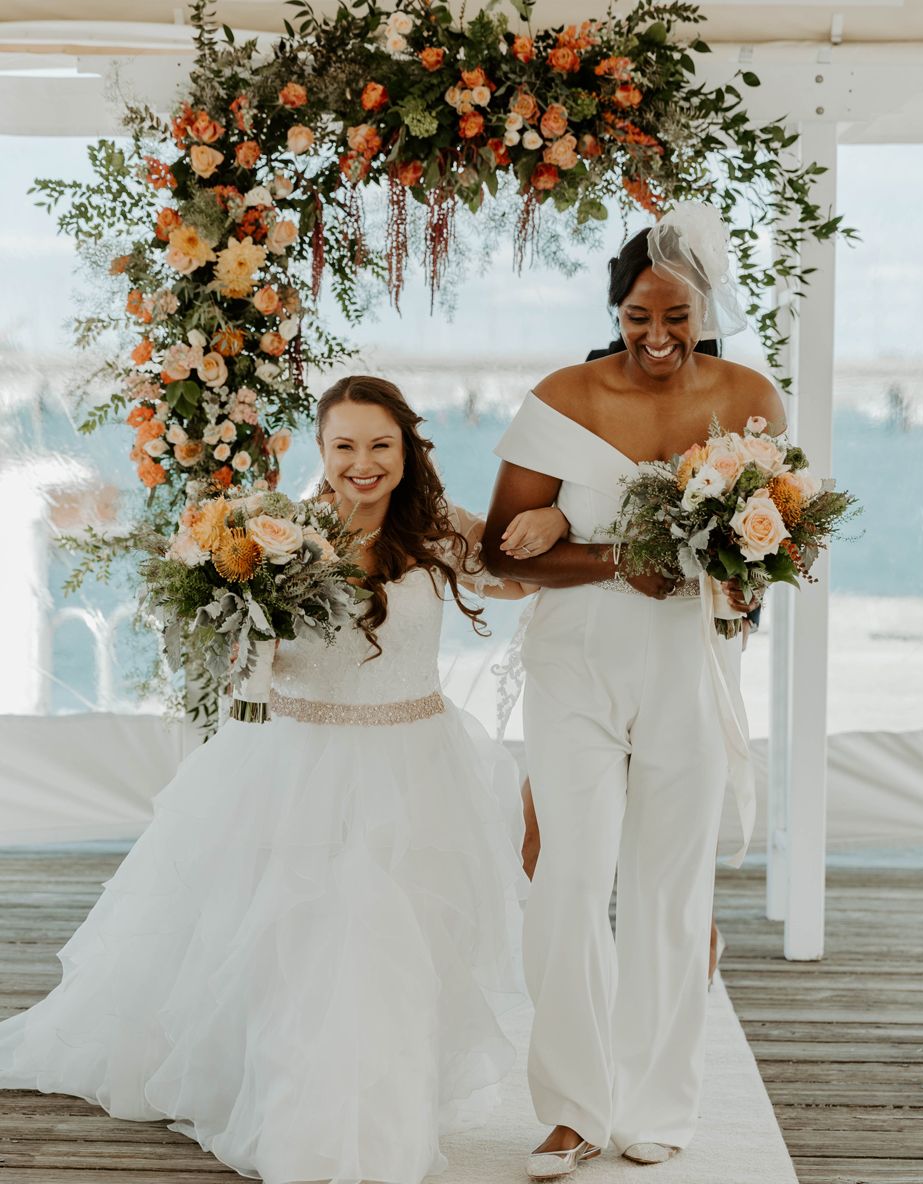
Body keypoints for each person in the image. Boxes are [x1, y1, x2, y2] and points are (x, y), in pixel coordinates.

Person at [0, 375, 569, 1184]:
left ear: (407, 450)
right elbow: (235, 641)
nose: (362, 464)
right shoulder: (279, 538)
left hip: (415, 767)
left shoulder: (439, 532)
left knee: (392, 947)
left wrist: (555, 518)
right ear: (321, 450)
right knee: (313, 943)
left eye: (381, 445)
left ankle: (380, 1106)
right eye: (345, 446)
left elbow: (517, 582)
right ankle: (313, 1113)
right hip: (301, 768)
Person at [482, 202, 785, 1177]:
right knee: (568, 877)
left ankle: (659, 1103)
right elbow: (500, 547)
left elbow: (766, 545)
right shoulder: (560, 396)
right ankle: (570, 1107)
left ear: (706, 309)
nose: (657, 336)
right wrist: (618, 558)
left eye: (676, 316)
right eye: (637, 316)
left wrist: (734, 583)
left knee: (668, 887)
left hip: (691, 665)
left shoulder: (749, 395)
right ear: (615, 309)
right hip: (573, 663)